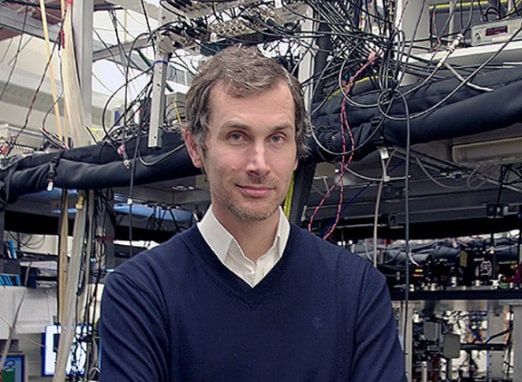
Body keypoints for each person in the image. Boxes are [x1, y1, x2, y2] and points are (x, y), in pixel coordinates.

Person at [99, 45, 406, 382]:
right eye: (237, 136)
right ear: (195, 146)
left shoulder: (357, 290)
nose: (259, 164)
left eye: (277, 138)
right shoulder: (141, 293)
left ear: (295, 151)